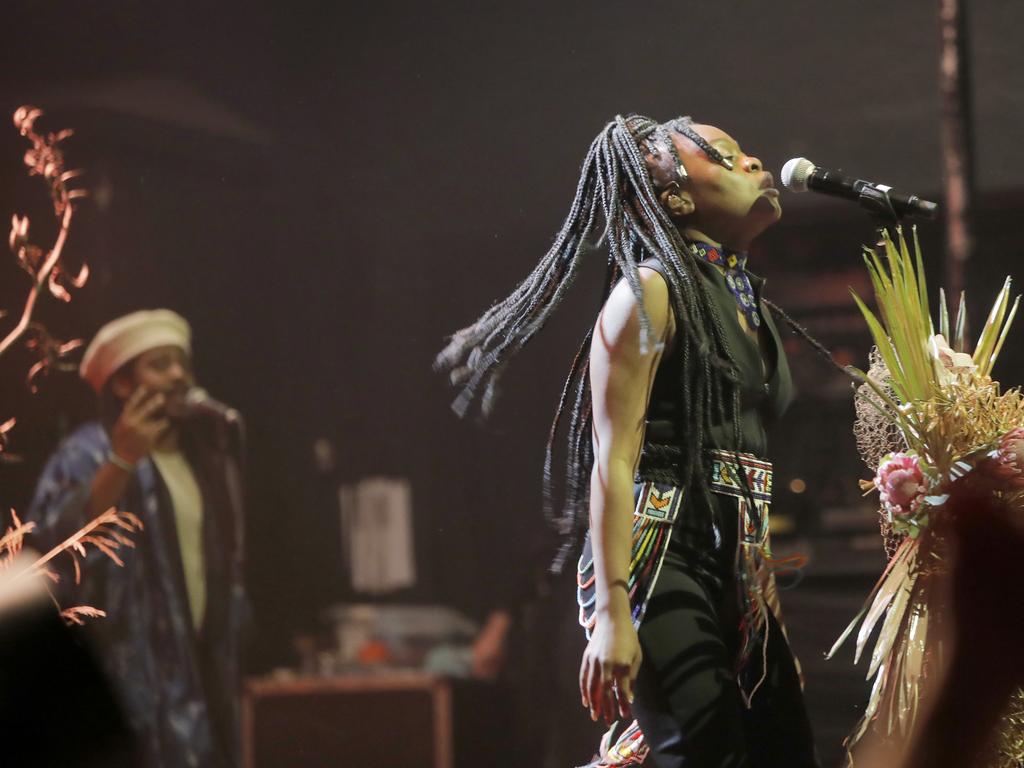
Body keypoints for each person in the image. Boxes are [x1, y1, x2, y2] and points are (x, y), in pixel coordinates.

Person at [437, 114, 817, 766]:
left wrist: (765, 612)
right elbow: (612, 457)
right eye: (724, 156)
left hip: (736, 560)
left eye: (746, 151)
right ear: (674, 196)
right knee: (703, 747)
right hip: (661, 550)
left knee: (783, 747)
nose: (753, 161)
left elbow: (746, 474)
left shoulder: (744, 298)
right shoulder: (648, 291)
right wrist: (612, 615)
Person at [27, 309, 246, 768]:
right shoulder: (85, 453)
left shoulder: (200, 458)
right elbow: (51, 549)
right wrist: (123, 458)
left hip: (196, 682)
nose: (178, 375)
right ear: (123, 384)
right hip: (123, 688)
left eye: (181, 363)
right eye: (160, 364)